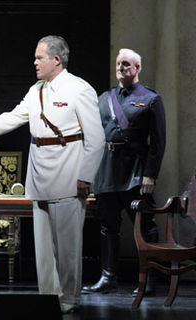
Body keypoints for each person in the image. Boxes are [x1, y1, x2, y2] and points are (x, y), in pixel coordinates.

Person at [0, 35, 105, 313]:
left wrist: (85, 176)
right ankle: (48, 297)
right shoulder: (37, 90)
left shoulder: (79, 89)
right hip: (40, 170)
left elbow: (96, 138)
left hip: (68, 170)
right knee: (43, 247)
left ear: (56, 59)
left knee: (67, 246)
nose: (34, 62)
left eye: (39, 57)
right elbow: (14, 116)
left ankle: (69, 298)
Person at [82, 49, 166, 296]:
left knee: (145, 225)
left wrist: (150, 174)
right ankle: (108, 278)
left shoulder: (151, 99)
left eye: (126, 64)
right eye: (119, 64)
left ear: (138, 68)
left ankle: (149, 278)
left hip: (135, 172)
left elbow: (158, 141)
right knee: (108, 226)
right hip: (107, 169)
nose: (121, 68)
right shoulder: (104, 98)